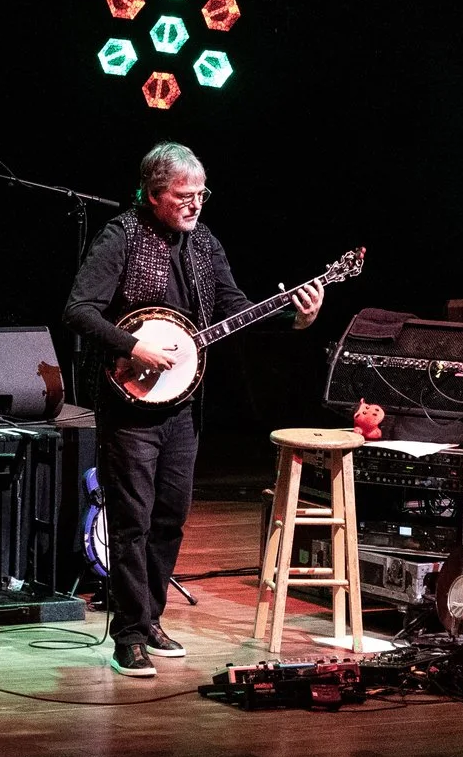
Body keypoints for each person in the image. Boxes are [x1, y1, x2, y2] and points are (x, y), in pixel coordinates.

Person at [64, 142, 323, 675]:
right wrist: (131, 345)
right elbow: (78, 310)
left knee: (170, 517)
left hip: (184, 405)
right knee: (131, 519)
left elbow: (235, 309)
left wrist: (293, 320)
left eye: (201, 194)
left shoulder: (204, 243)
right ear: (153, 195)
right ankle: (128, 635)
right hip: (129, 401)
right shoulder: (121, 237)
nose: (195, 205)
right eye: (184, 196)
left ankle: (150, 616)